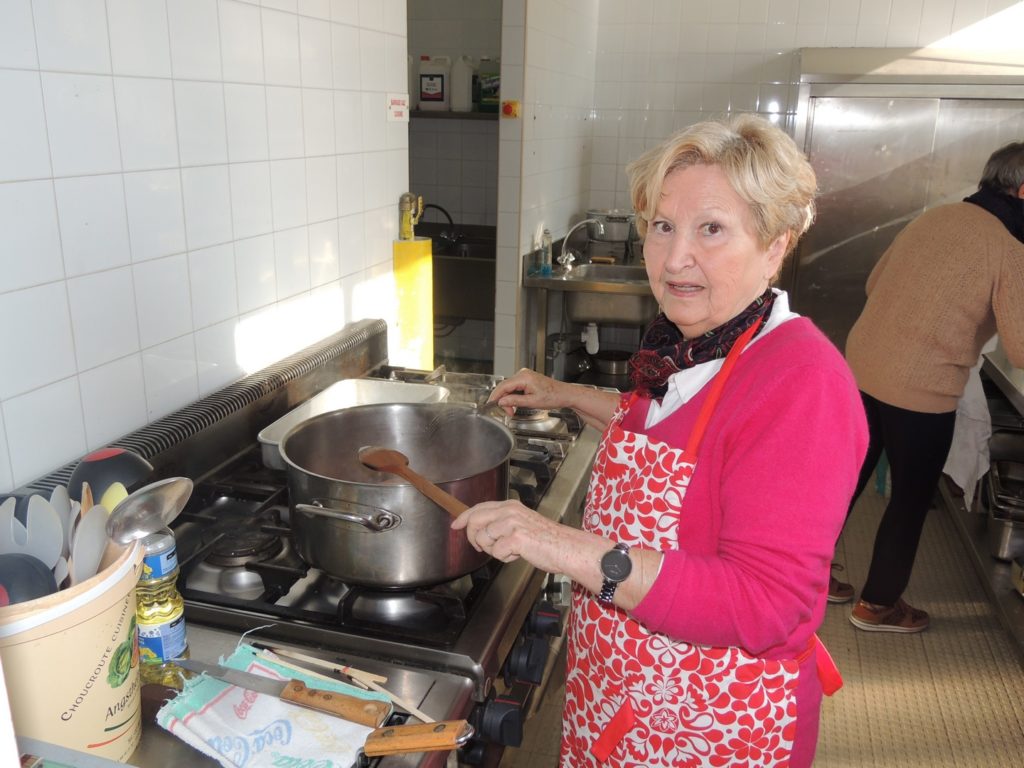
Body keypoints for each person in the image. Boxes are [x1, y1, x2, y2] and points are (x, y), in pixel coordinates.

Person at [451, 115, 868, 768]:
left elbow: (768, 604)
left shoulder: (801, 384)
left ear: (775, 245)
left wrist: (557, 543)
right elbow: (664, 427)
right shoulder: (694, 342)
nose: (675, 259)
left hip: (709, 728)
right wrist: (565, 394)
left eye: (712, 229)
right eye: (663, 226)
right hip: (622, 696)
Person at [835, 141, 1024, 633]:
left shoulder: (936, 216)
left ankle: (804, 577)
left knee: (845, 480)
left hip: (863, 366)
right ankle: (878, 605)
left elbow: (875, 283)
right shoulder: (1009, 247)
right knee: (910, 498)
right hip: (921, 387)